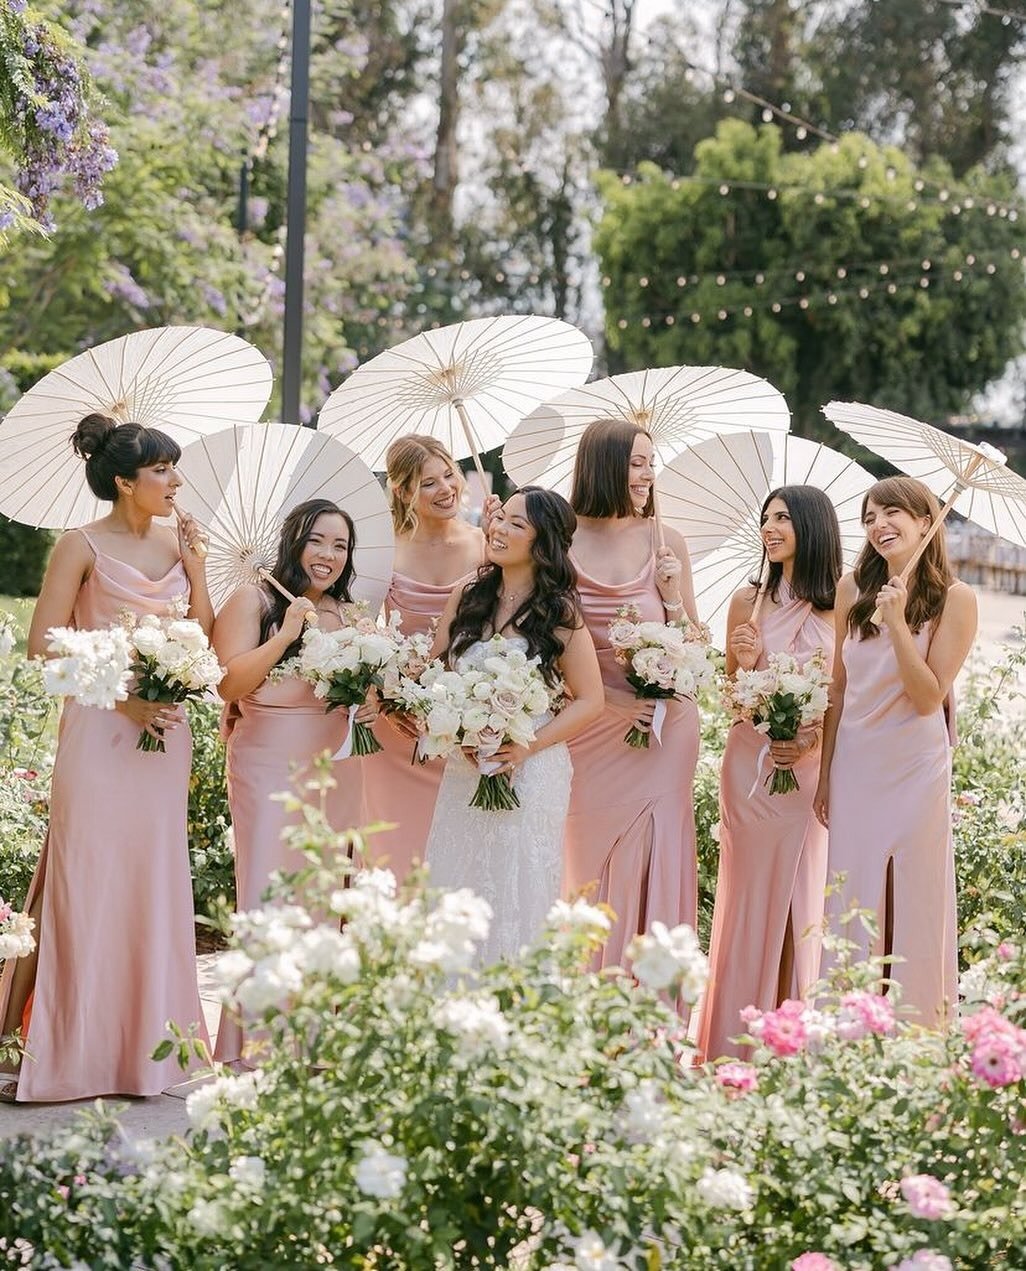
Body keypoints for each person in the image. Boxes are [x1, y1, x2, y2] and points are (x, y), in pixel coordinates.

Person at [0, 413, 211, 1101]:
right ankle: (76, 1052)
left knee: (152, 881)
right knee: (89, 880)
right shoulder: (79, 544)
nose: (175, 480)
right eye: (161, 470)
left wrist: (199, 567)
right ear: (124, 481)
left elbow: (201, 638)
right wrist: (125, 700)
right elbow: (45, 643)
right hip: (100, 730)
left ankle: (148, 1054)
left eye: (174, 468)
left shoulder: (180, 544)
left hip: (164, 737)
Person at [212, 498, 372, 1064]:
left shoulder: (352, 615)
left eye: (341, 545)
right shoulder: (252, 599)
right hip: (268, 762)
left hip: (338, 765)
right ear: (294, 540)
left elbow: (368, 694)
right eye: (318, 541)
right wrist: (285, 635)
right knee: (271, 893)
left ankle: (318, 1037)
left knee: (328, 898)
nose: (328, 555)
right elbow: (227, 685)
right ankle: (260, 1040)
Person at [814, 476, 978, 1026]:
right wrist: (825, 776)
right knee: (852, 888)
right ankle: (846, 1023)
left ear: (926, 521)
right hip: (857, 762)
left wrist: (901, 624)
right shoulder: (849, 588)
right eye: (868, 516)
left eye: (892, 513)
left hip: (916, 766)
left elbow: (930, 696)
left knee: (913, 890)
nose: (878, 524)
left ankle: (917, 1027)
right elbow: (838, 689)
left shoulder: (957, 600)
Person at [424, 487, 603, 964]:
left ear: (543, 542)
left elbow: (591, 700)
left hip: (533, 767)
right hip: (466, 767)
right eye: (500, 517)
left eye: (516, 524)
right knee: (457, 882)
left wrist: (527, 747)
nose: (499, 528)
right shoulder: (469, 593)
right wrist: (456, 728)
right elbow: (435, 669)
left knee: (516, 887)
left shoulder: (559, 611)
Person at [698, 486, 842, 1060]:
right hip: (750, 766)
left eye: (783, 517)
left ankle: (793, 1036)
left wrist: (808, 741)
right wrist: (741, 658)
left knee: (801, 896)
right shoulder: (746, 601)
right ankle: (731, 1040)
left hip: (806, 772)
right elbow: (733, 697)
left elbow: (845, 696)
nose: (770, 527)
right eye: (766, 518)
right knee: (747, 899)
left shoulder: (842, 607)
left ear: (812, 526)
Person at [561, 419, 701, 969]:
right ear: (605, 466)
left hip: (663, 728)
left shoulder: (667, 541)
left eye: (650, 462)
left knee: (656, 849)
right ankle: (590, 990)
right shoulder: (561, 538)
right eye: (637, 463)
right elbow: (541, 640)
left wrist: (670, 596)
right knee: (584, 858)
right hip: (586, 725)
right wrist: (611, 703)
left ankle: (655, 999)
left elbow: (693, 643)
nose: (647, 475)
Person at [361, 437, 491, 879]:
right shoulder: (383, 551)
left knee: (457, 854)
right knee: (395, 846)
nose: (445, 489)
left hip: (469, 718)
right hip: (400, 722)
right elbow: (362, 634)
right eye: (428, 483)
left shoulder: (484, 544)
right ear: (402, 492)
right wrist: (384, 700)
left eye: (449, 475)